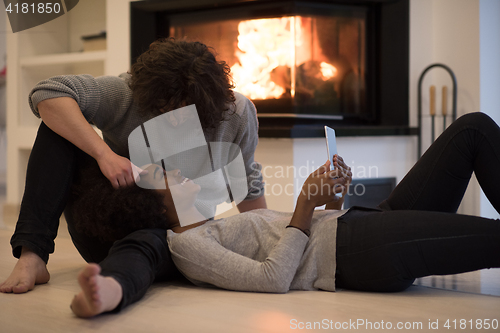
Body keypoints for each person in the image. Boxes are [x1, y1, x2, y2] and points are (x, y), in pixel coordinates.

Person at [68, 112, 499, 317]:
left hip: (361, 225)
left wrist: (332, 199)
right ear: (151, 204)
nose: (175, 170)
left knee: (472, 129)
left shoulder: (214, 223)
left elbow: (309, 241)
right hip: (363, 252)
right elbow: (274, 280)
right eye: (162, 174)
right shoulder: (188, 246)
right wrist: (304, 206)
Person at [0, 38, 267, 295]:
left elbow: (247, 179)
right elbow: (48, 92)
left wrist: (266, 241)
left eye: (187, 112)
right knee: (56, 126)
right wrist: (104, 154)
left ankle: (115, 285)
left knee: (152, 246)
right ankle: (32, 255)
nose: (175, 122)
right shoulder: (127, 93)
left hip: (174, 240)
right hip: (108, 232)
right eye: (164, 110)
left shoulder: (237, 112)